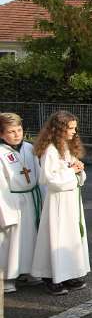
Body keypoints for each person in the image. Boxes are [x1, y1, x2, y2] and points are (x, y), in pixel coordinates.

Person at [30, 111, 88, 296]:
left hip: (71, 198)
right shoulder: (50, 151)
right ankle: (51, 275)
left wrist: (78, 170)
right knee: (57, 236)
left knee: (70, 236)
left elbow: (74, 171)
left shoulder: (67, 147)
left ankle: (69, 272)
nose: (74, 131)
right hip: (58, 200)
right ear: (59, 129)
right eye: (70, 128)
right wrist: (72, 171)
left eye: (74, 127)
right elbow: (49, 178)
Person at [0, 113, 42, 293]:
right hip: (12, 200)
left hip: (31, 198)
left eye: (19, 130)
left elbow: (39, 173)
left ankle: (32, 271)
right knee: (12, 240)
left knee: (32, 236)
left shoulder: (30, 148)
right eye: (11, 131)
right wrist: (5, 211)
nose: (17, 134)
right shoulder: (1, 153)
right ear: (2, 134)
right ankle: (8, 278)